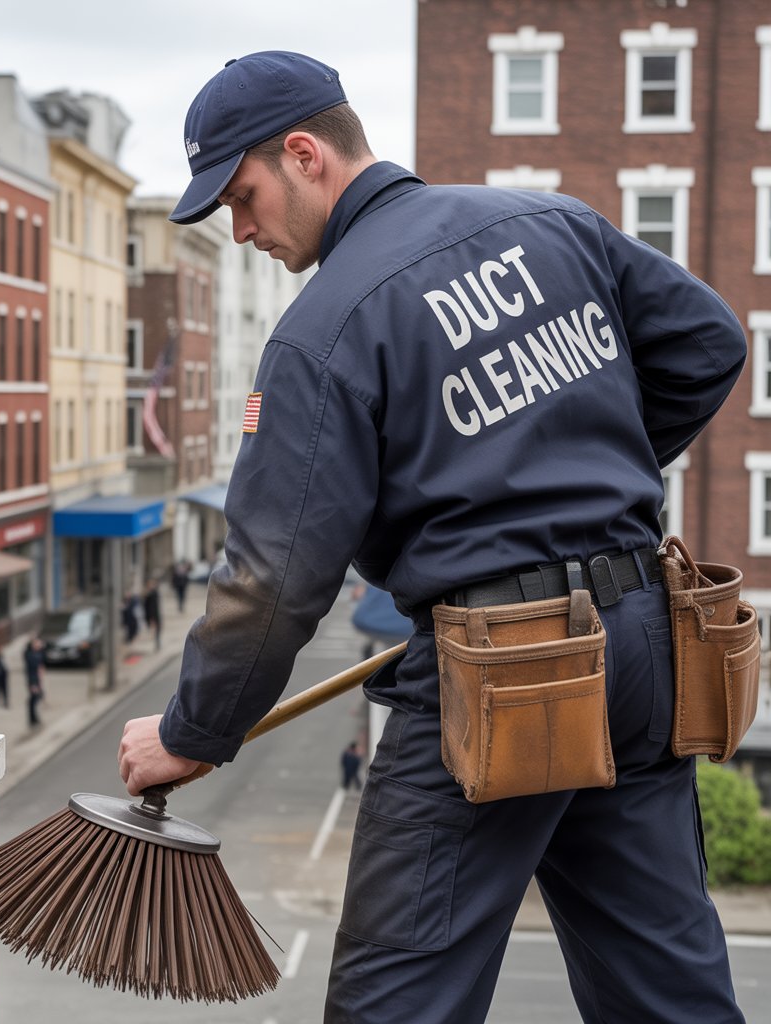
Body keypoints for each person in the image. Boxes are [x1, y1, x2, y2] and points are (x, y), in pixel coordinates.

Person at [117, 51, 747, 1024]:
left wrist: (192, 729)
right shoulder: (550, 224)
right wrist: (567, 491)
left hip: (502, 673)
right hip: (644, 647)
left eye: (242, 197)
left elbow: (272, 581)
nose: (240, 231)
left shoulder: (320, 332)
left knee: (394, 1003)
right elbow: (709, 342)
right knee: (666, 988)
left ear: (303, 154)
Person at [23, 637, 44, 727]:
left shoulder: (38, 654)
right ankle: (32, 719)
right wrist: (33, 684)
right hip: (33, 679)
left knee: (37, 697)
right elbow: (30, 671)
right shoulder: (30, 655)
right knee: (33, 698)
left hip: (37, 679)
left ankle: (35, 718)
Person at [143, 578, 162, 651]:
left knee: (157, 630)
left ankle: (157, 645)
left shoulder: (153, 594)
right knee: (155, 631)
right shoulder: (151, 594)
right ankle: (157, 645)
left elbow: (153, 607)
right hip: (153, 615)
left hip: (154, 615)